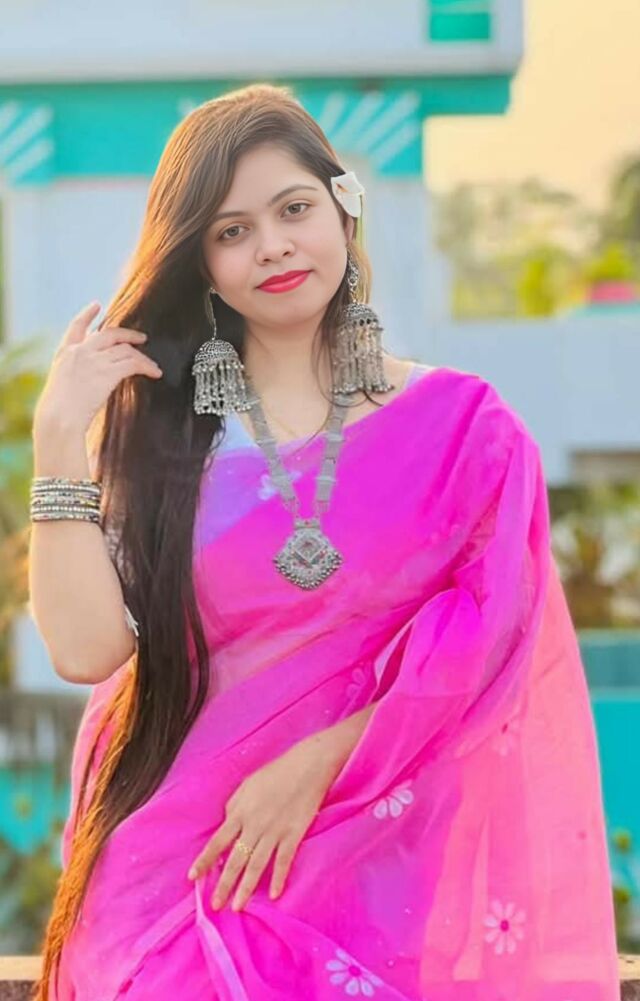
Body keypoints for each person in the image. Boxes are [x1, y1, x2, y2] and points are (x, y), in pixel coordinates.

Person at [28, 82, 619, 1000]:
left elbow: (487, 643)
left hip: (375, 868)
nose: (272, 245)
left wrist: (321, 760)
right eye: (232, 231)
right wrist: (60, 436)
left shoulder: (465, 432)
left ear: (345, 207)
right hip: (181, 876)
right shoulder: (165, 437)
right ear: (203, 265)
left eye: (293, 209)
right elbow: (86, 650)